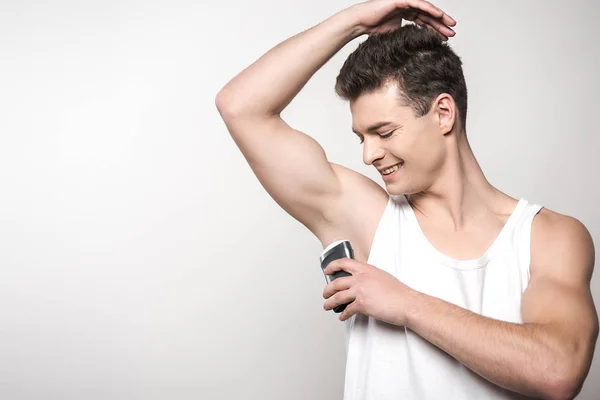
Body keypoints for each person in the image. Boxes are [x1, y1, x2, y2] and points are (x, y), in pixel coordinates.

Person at [215, 0, 598, 398]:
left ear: (443, 113)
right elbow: (240, 107)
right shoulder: (368, 218)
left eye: (384, 132)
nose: (368, 155)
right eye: (361, 138)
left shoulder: (549, 237)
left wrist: (408, 305)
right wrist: (354, 22)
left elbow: (558, 371)